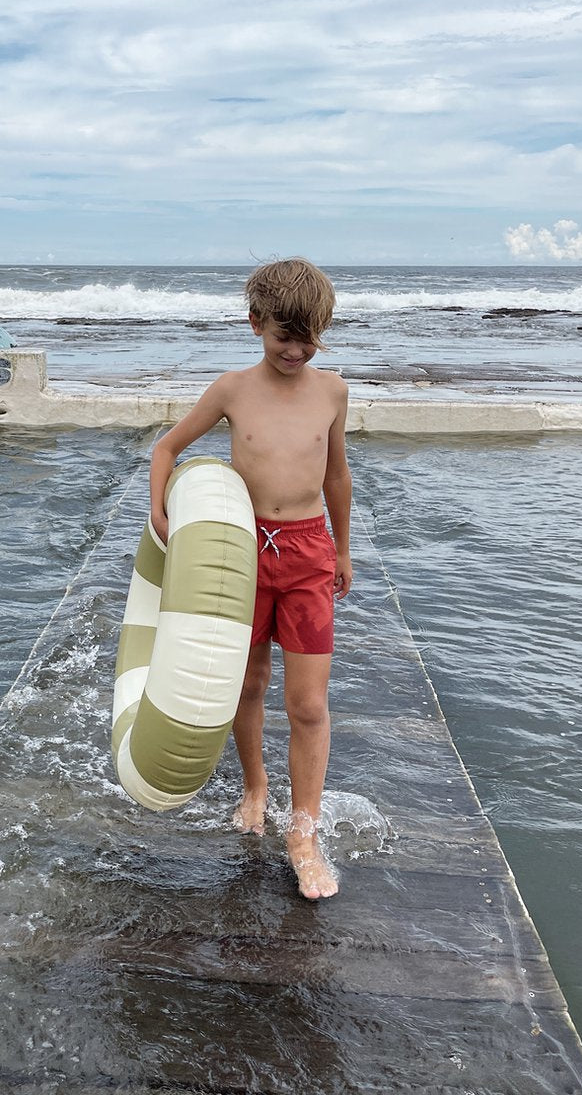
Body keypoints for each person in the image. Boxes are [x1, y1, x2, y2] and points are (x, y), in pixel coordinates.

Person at [149, 258, 353, 899]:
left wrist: (343, 549)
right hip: (242, 554)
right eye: (283, 337)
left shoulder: (332, 391)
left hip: (307, 553)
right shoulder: (233, 389)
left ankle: (304, 833)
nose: (296, 351)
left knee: (309, 704)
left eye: (308, 340)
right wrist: (160, 510)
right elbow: (167, 447)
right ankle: (256, 788)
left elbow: (337, 475)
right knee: (249, 682)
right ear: (255, 324)